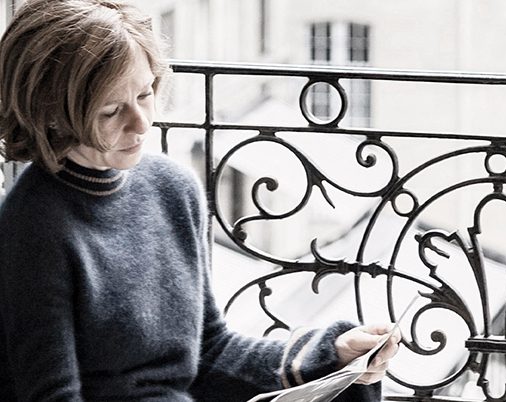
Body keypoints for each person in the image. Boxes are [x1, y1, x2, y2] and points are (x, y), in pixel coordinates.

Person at [0, 0, 400, 401]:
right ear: (53, 115)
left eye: (145, 94)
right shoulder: (33, 227)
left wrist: (329, 355)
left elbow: (210, 351)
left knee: (352, 387)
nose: (141, 123)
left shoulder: (172, 187)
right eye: (111, 111)